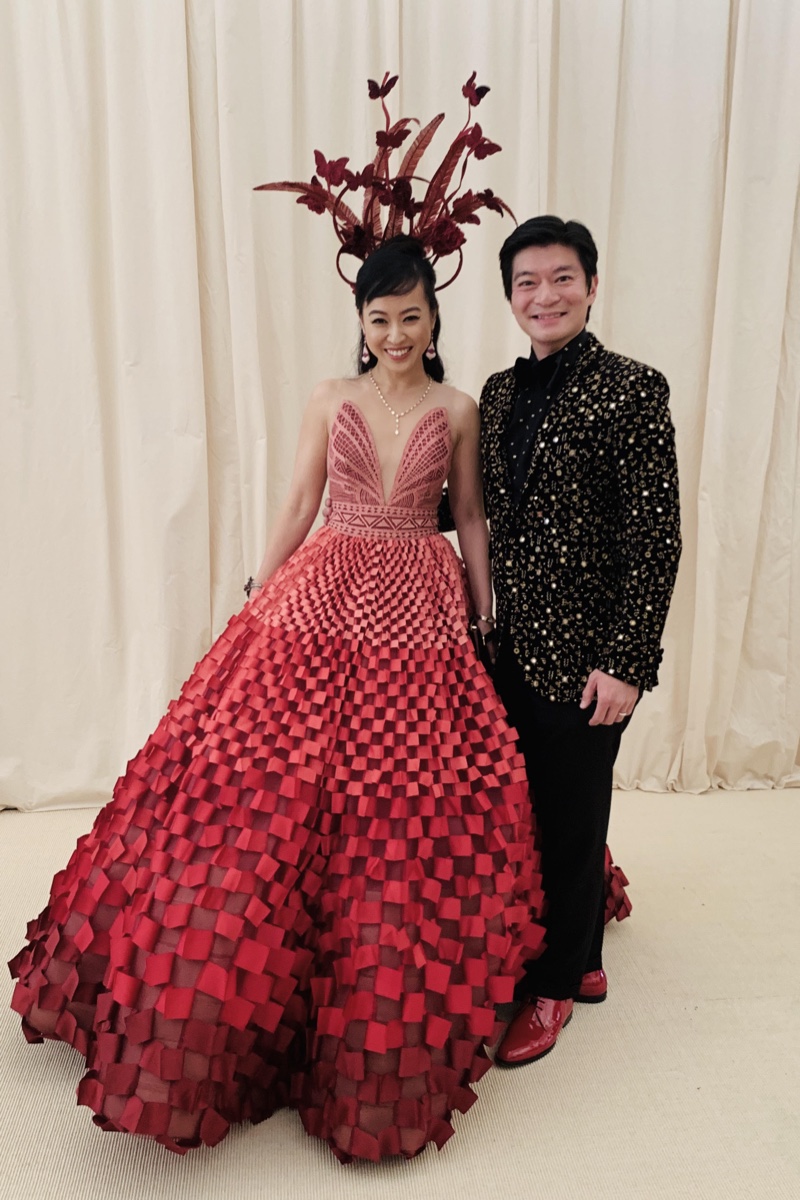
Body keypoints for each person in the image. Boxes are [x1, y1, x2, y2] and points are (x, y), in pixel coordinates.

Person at [9, 237, 545, 1163]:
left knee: (399, 782)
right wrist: (262, 585)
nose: (395, 334)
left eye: (410, 317)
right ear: (362, 322)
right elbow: (301, 499)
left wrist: (482, 612)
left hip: (418, 596)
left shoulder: (459, 407)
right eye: (380, 319)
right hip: (324, 582)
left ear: (434, 318)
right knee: (268, 770)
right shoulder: (329, 398)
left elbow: (467, 515)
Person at [481, 216, 682, 1067]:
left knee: (570, 817)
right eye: (527, 282)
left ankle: (557, 986)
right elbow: (475, 506)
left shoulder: (633, 388)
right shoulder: (497, 393)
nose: (545, 296)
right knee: (533, 809)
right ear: (510, 297)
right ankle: (583, 952)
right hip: (508, 647)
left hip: (591, 659)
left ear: (592, 287)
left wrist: (627, 663)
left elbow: (655, 537)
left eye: (562, 278)